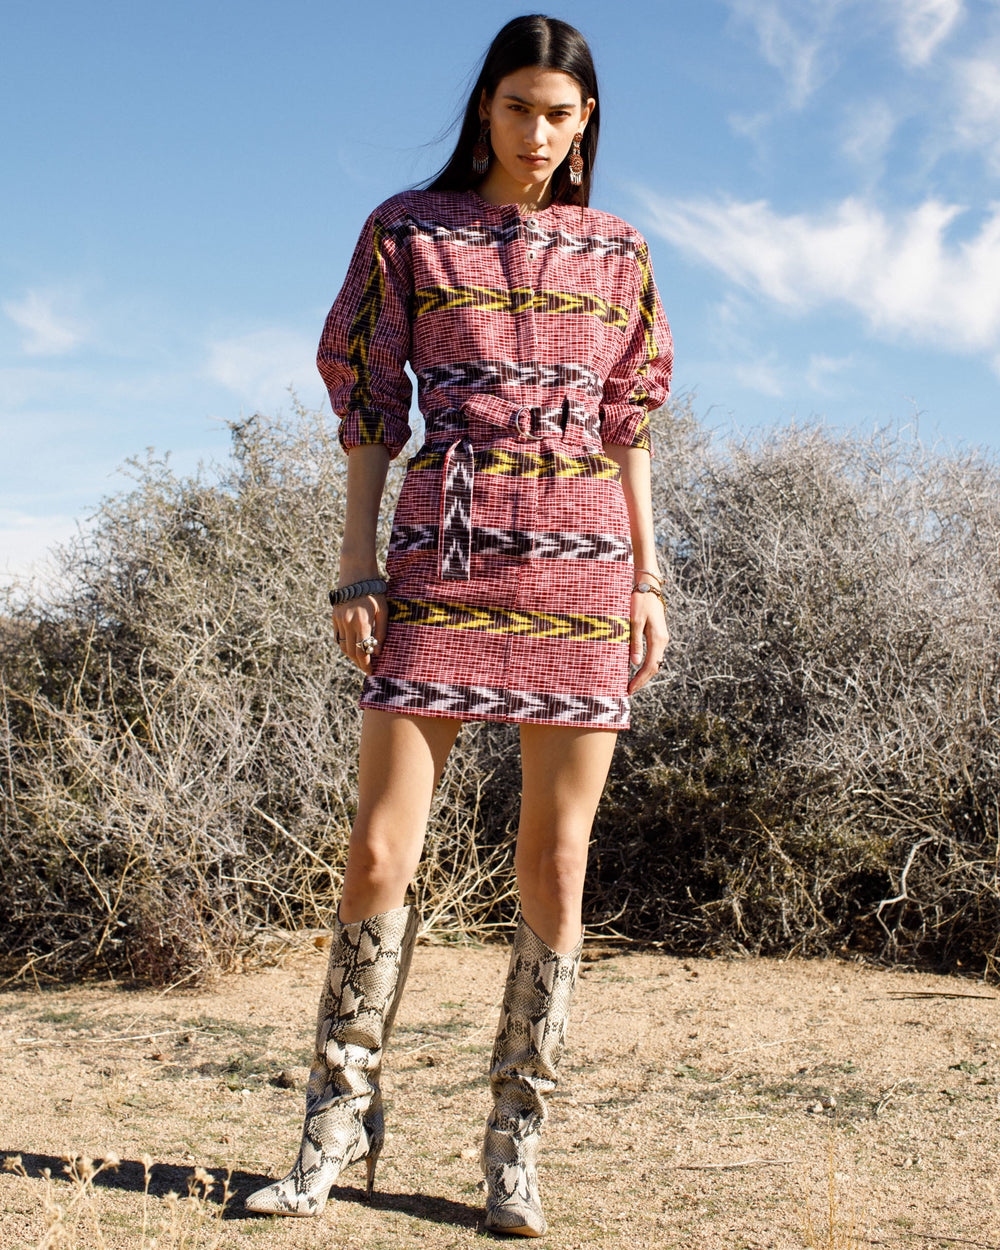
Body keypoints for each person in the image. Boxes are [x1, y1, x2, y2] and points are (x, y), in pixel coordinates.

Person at [244, 13, 672, 1237]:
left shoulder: (621, 250)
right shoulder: (407, 232)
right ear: (484, 106)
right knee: (378, 853)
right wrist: (355, 567)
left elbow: (628, 428)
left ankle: (512, 1149)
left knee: (558, 859)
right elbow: (372, 406)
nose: (539, 133)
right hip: (441, 550)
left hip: (583, 568)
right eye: (519, 107)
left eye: (562, 113)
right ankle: (333, 1131)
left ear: (587, 122)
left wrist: (647, 579)